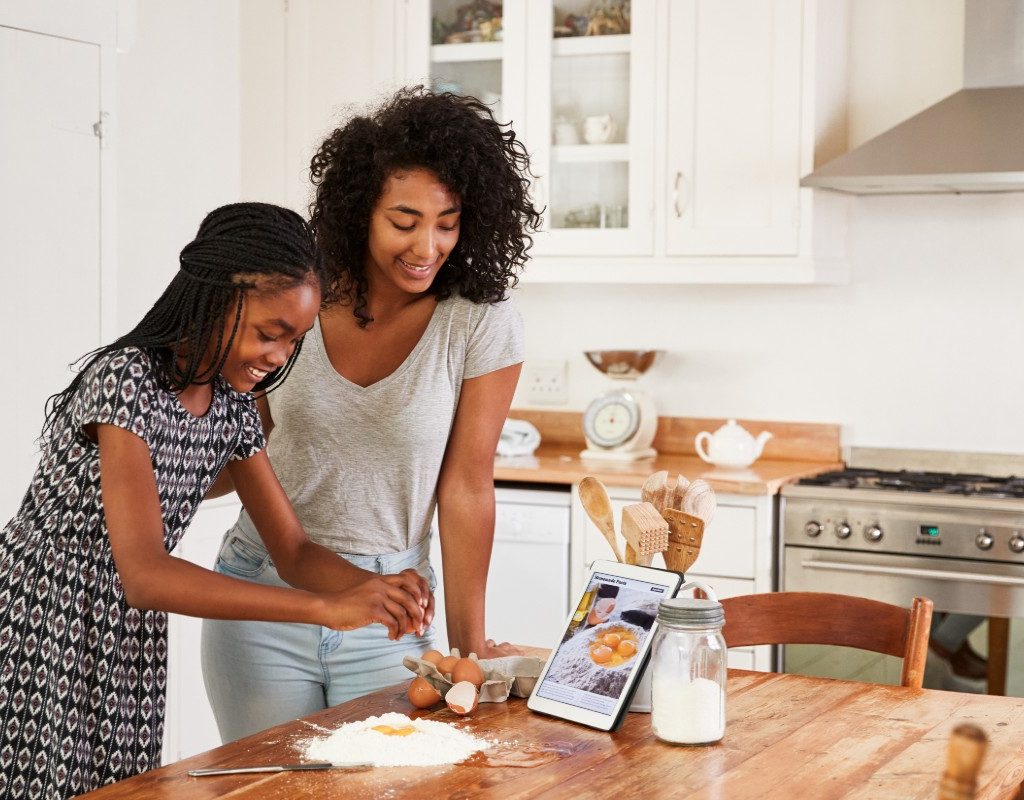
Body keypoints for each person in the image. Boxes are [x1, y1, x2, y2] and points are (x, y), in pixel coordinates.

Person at [0, 203, 431, 799]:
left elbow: (294, 551)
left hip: (125, 631)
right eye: (269, 332)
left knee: (121, 787)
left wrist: (369, 589)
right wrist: (322, 611)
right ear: (216, 298)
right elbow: (147, 575)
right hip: (44, 614)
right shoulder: (126, 382)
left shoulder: (229, 404)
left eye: (295, 340)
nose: (280, 355)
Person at [201, 87, 542, 742]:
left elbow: (466, 485)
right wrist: (148, 487)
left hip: (389, 610)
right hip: (262, 596)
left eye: (448, 221)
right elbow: (248, 441)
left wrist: (469, 647)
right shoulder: (300, 297)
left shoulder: (479, 322)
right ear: (362, 213)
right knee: (264, 791)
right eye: (405, 220)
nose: (428, 244)